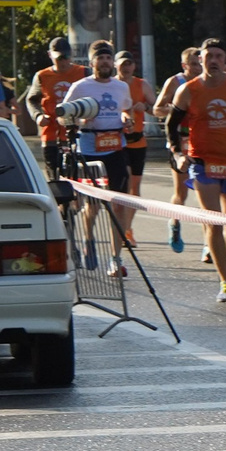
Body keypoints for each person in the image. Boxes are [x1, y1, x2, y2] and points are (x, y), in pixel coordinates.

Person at [174, 39, 226, 302]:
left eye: (218, 56)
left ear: (224, 60)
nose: (213, 60)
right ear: (200, 60)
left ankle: (224, 254)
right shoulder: (188, 90)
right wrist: (178, 154)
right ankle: (225, 282)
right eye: (208, 56)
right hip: (203, 163)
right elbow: (170, 125)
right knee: (213, 221)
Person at [62, 40, 139, 276]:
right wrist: (80, 120)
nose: (105, 62)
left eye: (108, 58)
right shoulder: (80, 87)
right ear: (92, 62)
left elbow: (125, 109)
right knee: (92, 206)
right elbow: (62, 116)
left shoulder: (120, 87)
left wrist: (127, 118)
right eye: (100, 58)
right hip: (89, 151)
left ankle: (116, 259)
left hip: (115, 148)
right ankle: (89, 240)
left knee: (119, 205)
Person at [154, 47, 205, 256]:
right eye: (192, 64)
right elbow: (157, 108)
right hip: (180, 142)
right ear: (184, 66)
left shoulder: (208, 82)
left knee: (206, 193)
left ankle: (208, 245)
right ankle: (175, 223)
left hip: (202, 141)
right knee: (181, 193)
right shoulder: (175, 82)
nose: (197, 67)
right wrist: (178, 110)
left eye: (198, 63)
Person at [29, 36, 87, 181]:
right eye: (58, 58)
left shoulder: (83, 73)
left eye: (66, 57)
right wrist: (38, 116)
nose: (63, 61)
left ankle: (77, 201)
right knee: (54, 176)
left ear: (71, 55)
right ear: (50, 55)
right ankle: (60, 202)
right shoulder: (42, 76)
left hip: (76, 131)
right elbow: (31, 100)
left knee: (77, 175)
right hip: (51, 132)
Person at [117, 47, 152, 205]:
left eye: (129, 64)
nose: (126, 67)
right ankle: (122, 223)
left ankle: (128, 227)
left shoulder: (142, 84)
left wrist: (145, 107)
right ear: (115, 66)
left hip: (138, 141)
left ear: (134, 66)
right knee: (124, 183)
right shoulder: (111, 84)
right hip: (117, 141)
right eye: (123, 64)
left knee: (135, 188)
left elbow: (158, 109)